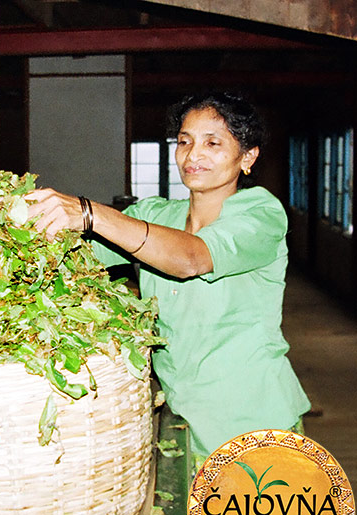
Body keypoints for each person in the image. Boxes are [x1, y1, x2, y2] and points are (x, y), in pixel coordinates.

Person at [23, 91, 311, 460]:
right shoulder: (157, 216)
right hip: (180, 416)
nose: (193, 155)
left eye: (213, 143)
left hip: (251, 420)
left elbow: (190, 257)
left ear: (247, 157)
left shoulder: (261, 214)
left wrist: (91, 212)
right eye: (185, 142)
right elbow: (76, 257)